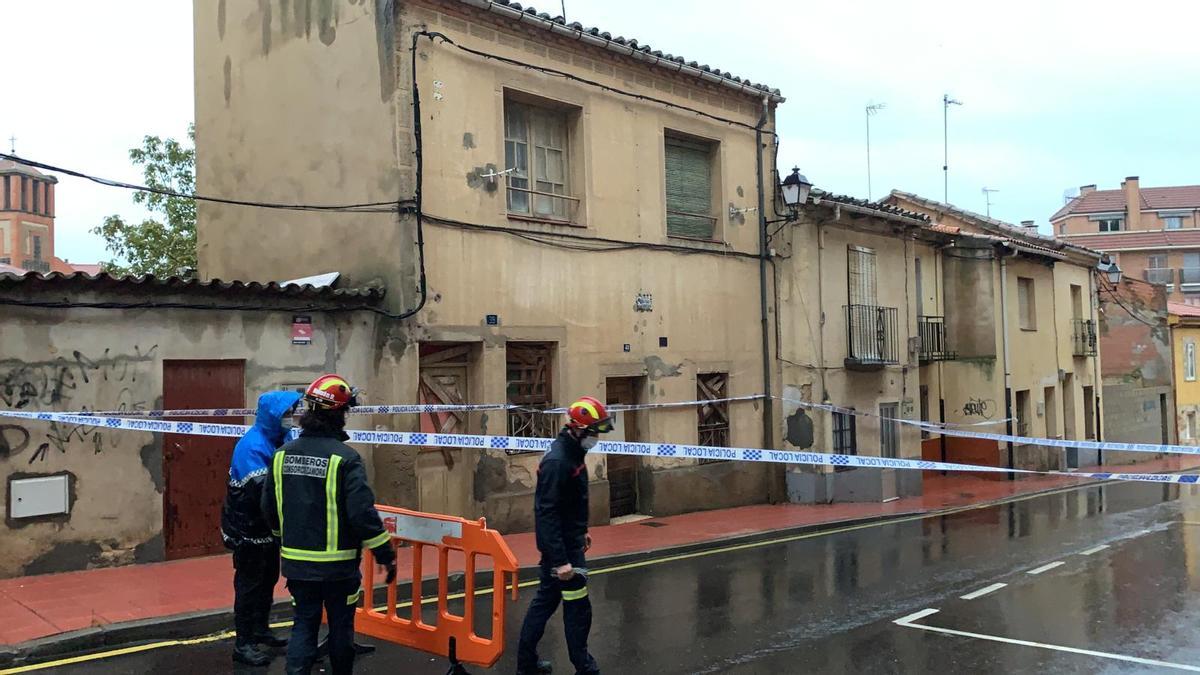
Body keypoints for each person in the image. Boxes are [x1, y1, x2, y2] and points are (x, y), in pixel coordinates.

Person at [262, 374, 397, 675]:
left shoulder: (281, 456)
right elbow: (362, 513)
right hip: (338, 568)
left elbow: (268, 508)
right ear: (340, 414)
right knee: (340, 629)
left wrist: (280, 539)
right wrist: (385, 554)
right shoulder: (346, 458)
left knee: (304, 626)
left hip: (297, 563)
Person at [516, 396, 613, 675]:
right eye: (594, 430)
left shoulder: (571, 453)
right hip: (562, 553)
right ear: (578, 429)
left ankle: (527, 665)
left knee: (546, 603)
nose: (597, 437)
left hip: (569, 544)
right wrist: (561, 561)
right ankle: (584, 667)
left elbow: (570, 503)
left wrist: (581, 531)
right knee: (577, 609)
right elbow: (546, 513)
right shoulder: (559, 461)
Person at [222, 389, 303, 667]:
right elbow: (264, 492)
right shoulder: (251, 446)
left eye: (292, 413)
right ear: (272, 416)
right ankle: (243, 644)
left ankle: (260, 630)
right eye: (286, 414)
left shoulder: (280, 438)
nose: (291, 419)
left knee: (267, 579)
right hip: (247, 528)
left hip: (267, 528)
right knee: (249, 585)